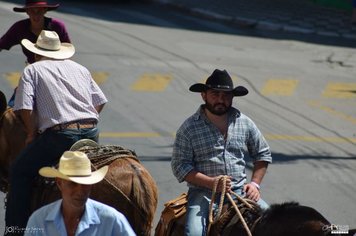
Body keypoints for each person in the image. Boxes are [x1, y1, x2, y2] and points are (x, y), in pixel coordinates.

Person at [5, 30, 108, 235]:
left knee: (19, 172)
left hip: (59, 137)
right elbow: (100, 101)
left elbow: (24, 107)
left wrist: (31, 133)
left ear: (36, 54)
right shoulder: (79, 68)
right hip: (91, 133)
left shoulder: (33, 70)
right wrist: (84, 120)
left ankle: (15, 231)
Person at [171, 69, 272, 236]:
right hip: (203, 194)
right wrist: (211, 183)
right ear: (203, 95)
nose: (220, 99)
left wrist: (254, 184)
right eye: (214, 94)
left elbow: (263, 154)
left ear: (232, 97)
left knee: (273, 225)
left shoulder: (244, 122)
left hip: (240, 192)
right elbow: (180, 166)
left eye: (226, 95)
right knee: (194, 233)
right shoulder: (189, 128)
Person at [20, 151, 136, 236]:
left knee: (19, 173)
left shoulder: (112, 219)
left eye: (85, 184)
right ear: (59, 183)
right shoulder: (38, 220)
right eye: (73, 184)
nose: (80, 191)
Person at [0, 0, 71, 107]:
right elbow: (1, 44)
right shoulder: (19, 28)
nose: (36, 14)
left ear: (45, 11)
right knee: (14, 108)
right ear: (27, 12)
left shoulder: (57, 26)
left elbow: (67, 53)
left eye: (39, 11)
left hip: (56, 72)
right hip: (32, 72)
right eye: (32, 11)